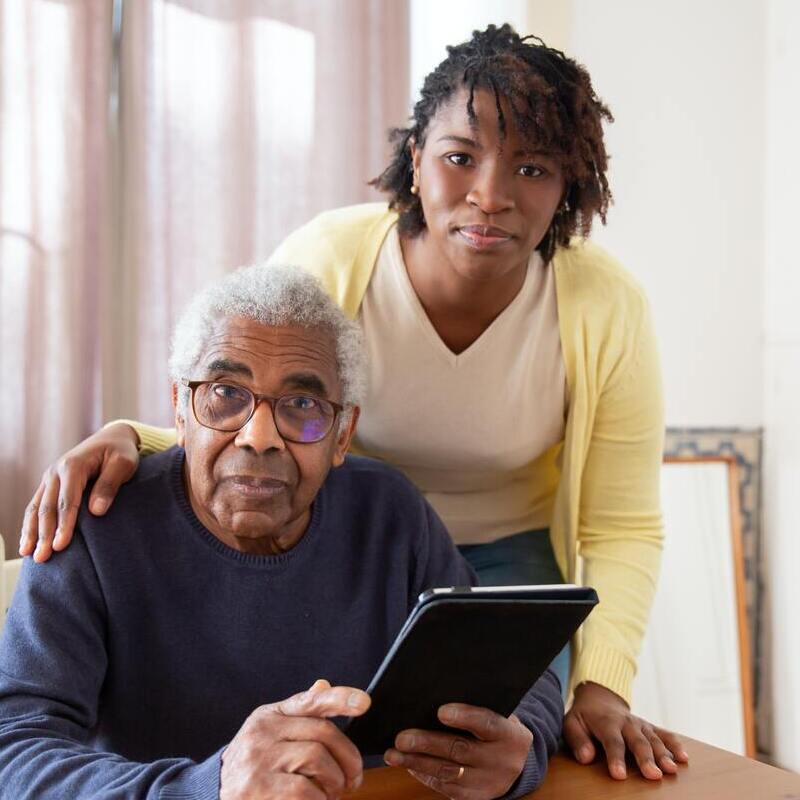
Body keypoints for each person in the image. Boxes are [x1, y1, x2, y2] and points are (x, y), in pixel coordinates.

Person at [18, 24, 687, 780]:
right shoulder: (335, 258)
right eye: (460, 157)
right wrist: (129, 437)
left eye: (532, 167)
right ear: (417, 159)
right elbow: (250, 389)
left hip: (503, 558)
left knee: (499, 756)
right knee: (329, 748)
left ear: (569, 183)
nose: (491, 195)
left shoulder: (608, 306)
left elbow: (623, 523)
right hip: (353, 540)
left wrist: (598, 690)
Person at [0, 265, 562, 800]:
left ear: (343, 435)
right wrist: (211, 786)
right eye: (224, 393)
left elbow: (518, 671)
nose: (259, 436)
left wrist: (521, 752)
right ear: (178, 408)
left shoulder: (389, 514)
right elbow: (14, 750)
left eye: (301, 405)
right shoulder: (93, 523)